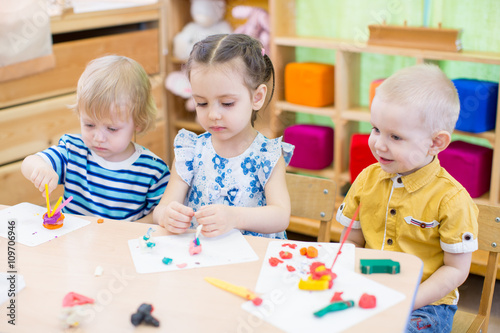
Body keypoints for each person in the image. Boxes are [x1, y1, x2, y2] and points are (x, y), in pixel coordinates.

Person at [336, 64, 478, 333]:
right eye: (376, 129)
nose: (378, 144)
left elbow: (456, 271)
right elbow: (351, 241)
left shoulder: (452, 199)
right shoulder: (366, 178)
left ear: (436, 143)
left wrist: (408, 300)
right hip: (369, 285)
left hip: (427, 304)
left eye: (395, 136)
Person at [153, 33, 294, 239]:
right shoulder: (190, 150)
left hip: (253, 261)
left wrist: (235, 217)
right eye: (201, 103)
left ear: (257, 97)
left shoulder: (267, 155)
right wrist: (167, 215)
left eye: (227, 103)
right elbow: (161, 208)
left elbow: (280, 216)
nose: (213, 115)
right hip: (201, 257)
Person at [21, 55, 170, 222]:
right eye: (89, 125)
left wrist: (128, 232)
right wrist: (41, 169)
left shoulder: (153, 170)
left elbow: (159, 214)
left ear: (138, 123)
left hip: (120, 246)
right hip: (73, 243)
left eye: (112, 128)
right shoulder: (73, 150)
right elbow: (29, 162)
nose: (98, 138)